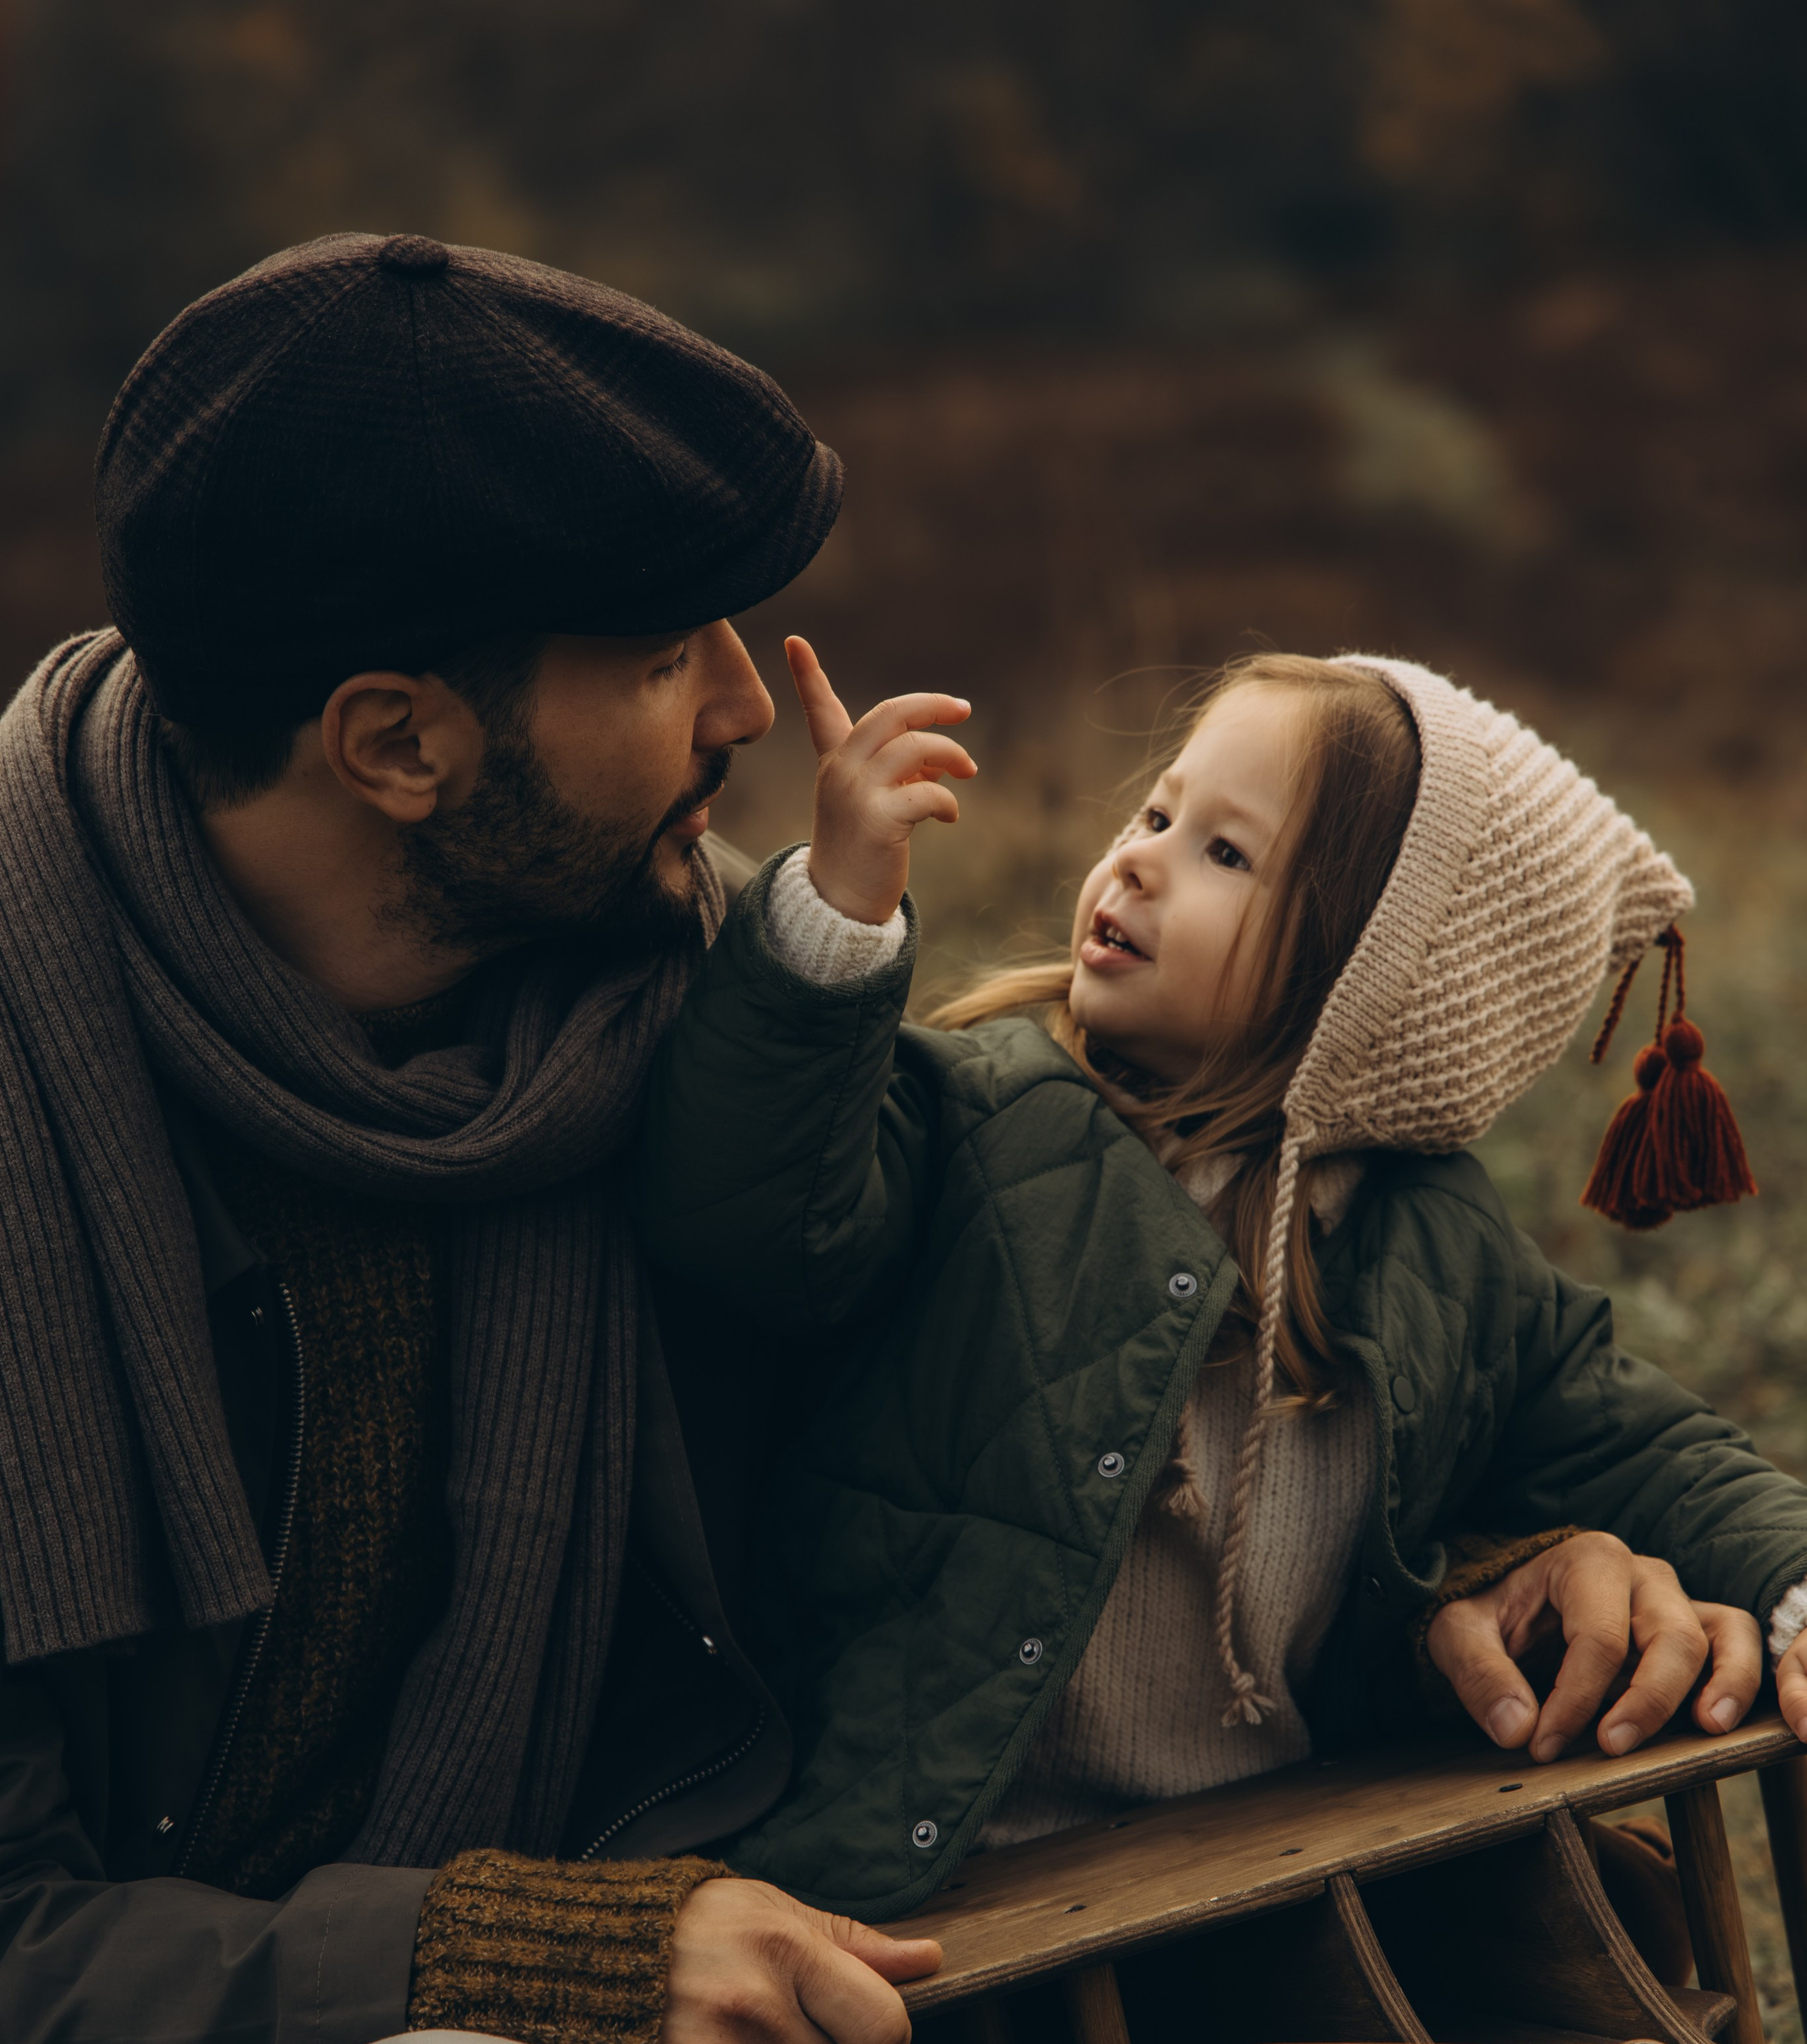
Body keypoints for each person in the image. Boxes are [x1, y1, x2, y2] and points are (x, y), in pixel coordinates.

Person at [0, 235, 944, 2044]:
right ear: (399, 744)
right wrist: (507, 1962)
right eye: (662, 653)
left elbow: (1068, 1376)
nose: (746, 704)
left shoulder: (677, 1049)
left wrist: (1513, 1546)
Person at [632, 639, 1807, 1930]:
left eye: (1226, 853)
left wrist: (1795, 1583)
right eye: (1156, 815)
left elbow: (1648, 1452)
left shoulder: (1433, 1247)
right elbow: (747, 1213)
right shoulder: (979, 1122)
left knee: (1606, 1926)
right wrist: (836, 923)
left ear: (1379, 983)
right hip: (943, 1879)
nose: (1140, 860)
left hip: (1270, 1872)